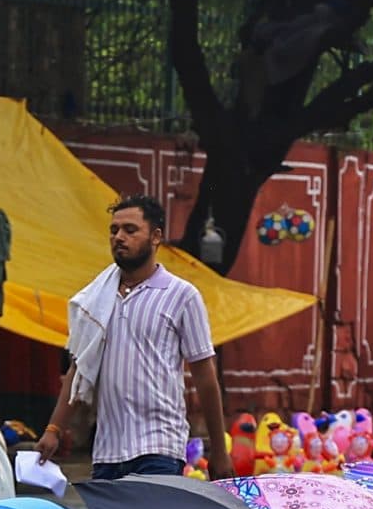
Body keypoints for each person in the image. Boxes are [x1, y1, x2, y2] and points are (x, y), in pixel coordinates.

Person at [34, 195, 231, 481]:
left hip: (159, 449)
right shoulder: (96, 299)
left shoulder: (182, 296)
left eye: (130, 230)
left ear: (155, 237)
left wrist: (220, 452)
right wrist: (53, 430)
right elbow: (80, 370)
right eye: (114, 230)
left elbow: (205, 377)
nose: (119, 237)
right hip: (107, 453)